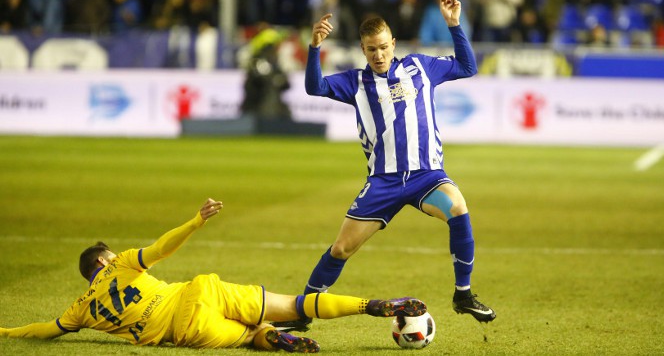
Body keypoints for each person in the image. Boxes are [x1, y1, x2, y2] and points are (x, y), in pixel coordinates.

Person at [273, 0, 495, 333]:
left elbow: (468, 66)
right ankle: (303, 311)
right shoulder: (354, 82)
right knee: (341, 248)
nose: (379, 55)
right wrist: (315, 47)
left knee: (458, 208)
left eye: (383, 47)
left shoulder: (421, 67)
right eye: (371, 49)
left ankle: (462, 294)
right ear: (363, 50)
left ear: (393, 43)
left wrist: (454, 25)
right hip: (383, 182)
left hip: (426, 176)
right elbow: (314, 87)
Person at [0, 198, 427, 353]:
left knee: (253, 336)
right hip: (203, 289)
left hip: (188, 329)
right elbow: (162, 247)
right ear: (105, 259)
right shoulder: (124, 262)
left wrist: (6, 331)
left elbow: (44, 330)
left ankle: (274, 339)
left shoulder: (81, 309)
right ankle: (372, 306)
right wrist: (195, 222)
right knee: (295, 305)